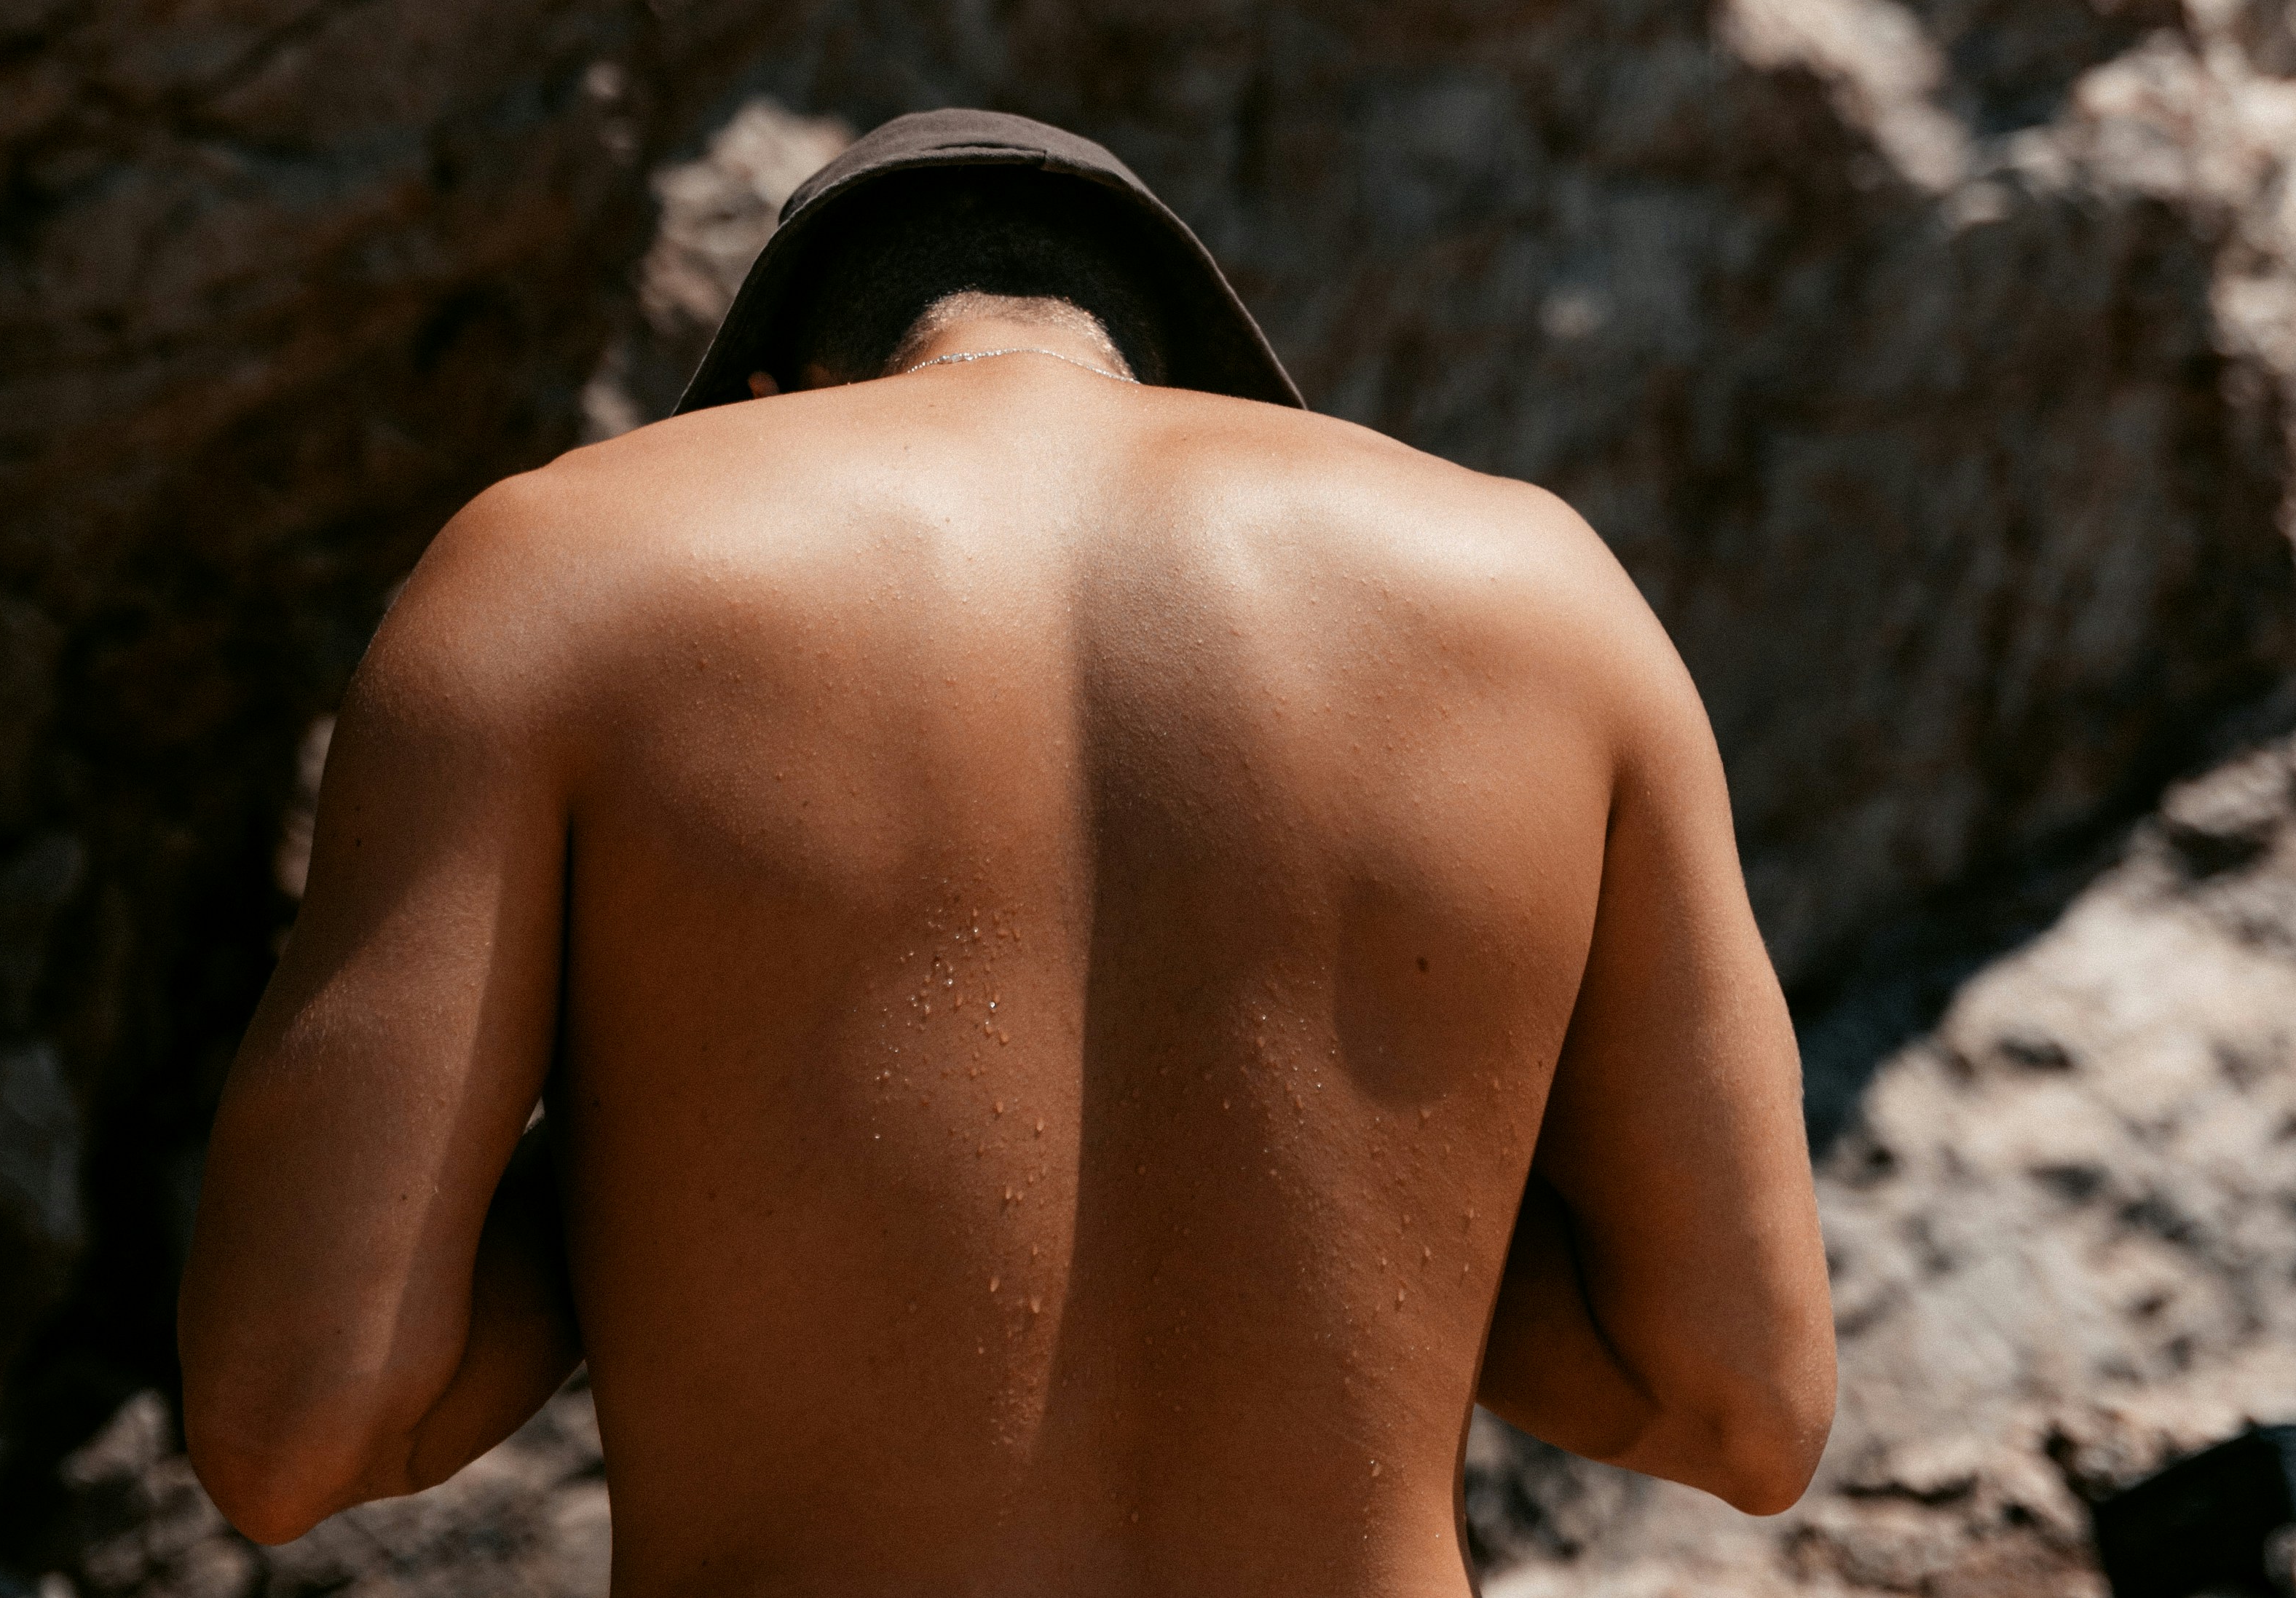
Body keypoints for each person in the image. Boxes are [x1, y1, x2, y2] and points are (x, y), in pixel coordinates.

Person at [178, 106, 1834, 1592]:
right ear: (1191, 385)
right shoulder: (1543, 595)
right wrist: (1373, 1181)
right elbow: (1739, 1407)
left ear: (769, 399)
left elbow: (301, 1427)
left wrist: (663, 1135)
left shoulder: (564, 570)